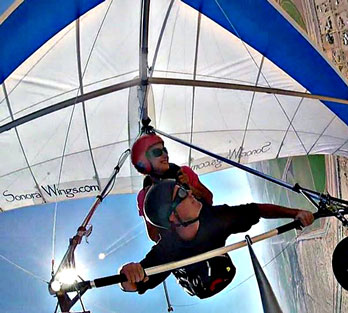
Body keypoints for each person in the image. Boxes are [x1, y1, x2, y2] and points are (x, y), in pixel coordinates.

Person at [119, 179, 315, 298]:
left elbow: (257, 210)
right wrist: (128, 274)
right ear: (172, 216)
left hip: (219, 266)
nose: (189, 192)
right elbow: (133, 284)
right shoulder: (168, 249)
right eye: (180, 193)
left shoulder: (216, 218)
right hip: (198, 280)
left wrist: (296, 213)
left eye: (184, 187)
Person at [131, 133, 213, 242]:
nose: (165, 155)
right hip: (181, 247)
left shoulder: (184, 173)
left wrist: (189, 186)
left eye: (165, 150)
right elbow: (154, 235)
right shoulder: (144, 196)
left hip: (207, 235)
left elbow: (208, 199)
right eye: (157, 152)